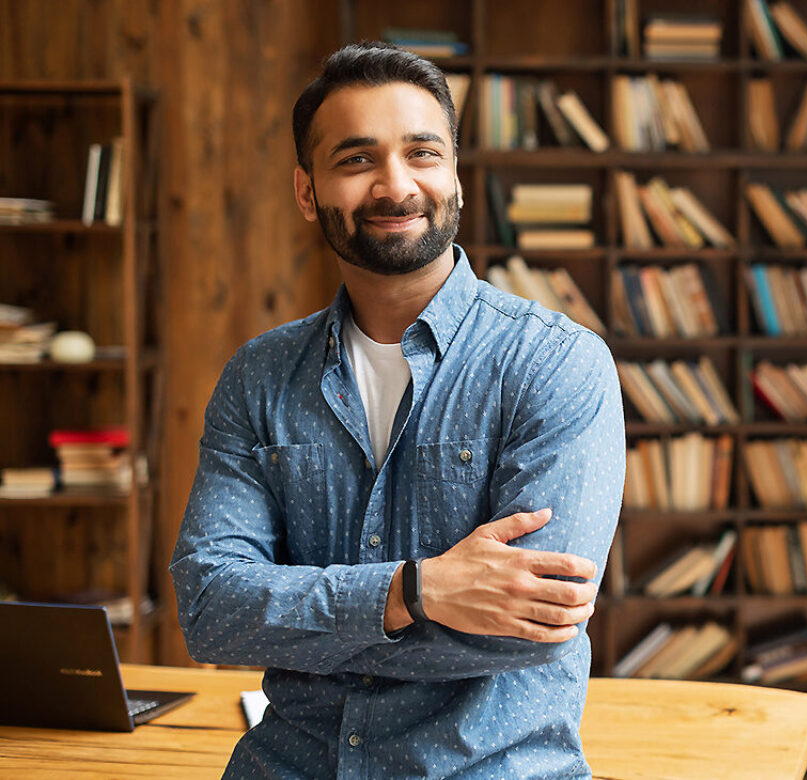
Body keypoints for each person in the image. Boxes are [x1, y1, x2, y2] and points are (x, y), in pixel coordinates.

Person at [170, 41, 625, 779]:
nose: (395, 185)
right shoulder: (258, 377)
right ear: (307, 190)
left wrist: (301, 616)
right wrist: (418, 588)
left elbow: (531, 625)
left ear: (455, 177)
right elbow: (209, 607)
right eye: (356, 160)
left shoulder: (555, 365)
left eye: (422, 153)